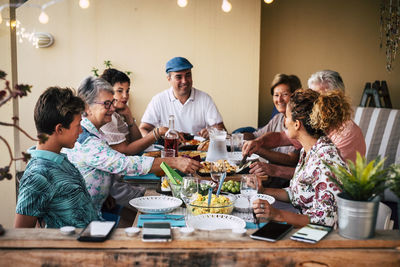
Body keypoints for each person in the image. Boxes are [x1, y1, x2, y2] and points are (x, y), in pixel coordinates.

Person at [64, 77, 201, 214]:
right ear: (87, 107)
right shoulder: (87, 140)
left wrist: (106, 193)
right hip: (81, 216)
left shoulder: (93, 131)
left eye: (112, 102)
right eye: (106, 104)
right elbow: (125, 163)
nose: (112, 108)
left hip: (98, 206)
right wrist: (174, 161)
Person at [252, 89, 349, 227]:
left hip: (322, 238)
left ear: (297, 124)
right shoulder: (308, 150)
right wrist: (262, 191)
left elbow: (326, 219)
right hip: (303, 226)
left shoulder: (326, 160)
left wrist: (277, 214)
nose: (284, 121)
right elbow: (298, 194)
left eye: (286, 116)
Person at [244, 70, 366, 180]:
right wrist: (258, 142)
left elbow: (321, 175)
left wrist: (274, 170)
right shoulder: (316, 121)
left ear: (336, 98)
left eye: (317, 98)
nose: (311, 103)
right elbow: (281, 137)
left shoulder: (347, 133)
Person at [15, 87, 99, 228]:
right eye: (78, 125)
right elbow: (20, 233)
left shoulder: (59, 159)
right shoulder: (38, 175)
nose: (80, 131)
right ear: (59, 129)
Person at [139, 57, 225, 138]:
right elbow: (143, 128)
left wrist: (212, 132)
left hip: (199, 151)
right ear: (169, 79)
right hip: (168, 150)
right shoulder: (158, 100)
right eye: (178, 77)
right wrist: (153, 144)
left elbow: (222, 129)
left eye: (188, 75)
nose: (184, 81)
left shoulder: (205, 99)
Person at [100, 68, 168, 155]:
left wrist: (129, 117)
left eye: (127, 91)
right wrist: (158, 132)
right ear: (107, 91)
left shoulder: (115, 114)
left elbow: (136, 142)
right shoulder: (106, 115)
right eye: (120, 91)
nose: (125, 96)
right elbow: (126, 150)